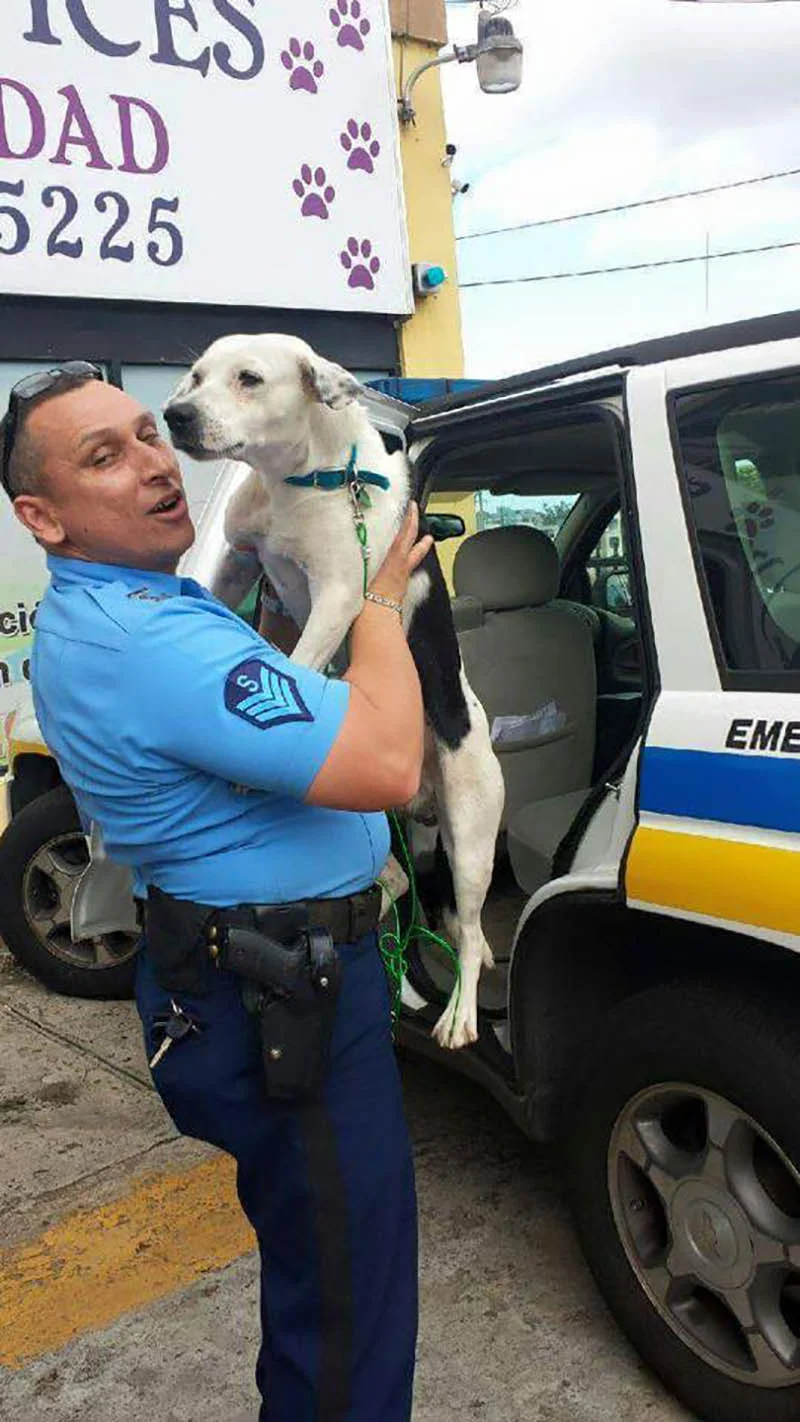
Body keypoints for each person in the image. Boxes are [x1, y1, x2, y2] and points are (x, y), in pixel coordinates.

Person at [2, 362, 431, 1422]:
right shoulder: (158, 642)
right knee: (347, 1313)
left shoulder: (130, 611)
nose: (153, 463)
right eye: (104, 457)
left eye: (147, 434)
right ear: (41, 518)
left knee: (315, 1268)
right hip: (286, 998)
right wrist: (380, 591)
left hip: (235, 978)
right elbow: (386, 764)